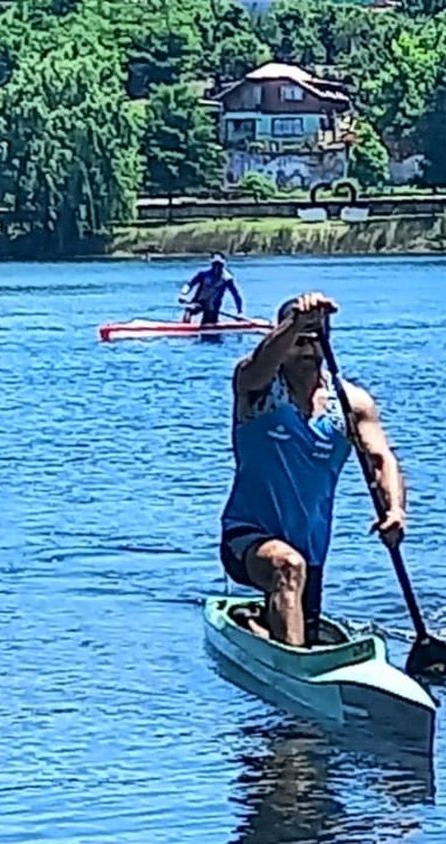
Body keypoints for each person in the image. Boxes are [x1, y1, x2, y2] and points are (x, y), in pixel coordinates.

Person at [219, 292, 407, 647]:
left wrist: (395, 510)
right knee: (287, 567)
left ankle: (261, 623)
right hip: (245, 537)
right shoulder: (256, 389)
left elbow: (382, 459)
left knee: (298, 590)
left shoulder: (351, 403)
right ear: (281, 337)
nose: (308, 351)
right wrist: (296, 324)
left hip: (312, 549)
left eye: (316, 340)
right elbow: (257, 365)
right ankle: (293, 668)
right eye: (298, 342)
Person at [180, 252, 244, 325]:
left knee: (207, 323)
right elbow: (189, 285)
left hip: (212, 307)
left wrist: (240, 312)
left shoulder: (227, 279)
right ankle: (185, 329)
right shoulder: (203, 275)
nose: (216, 268)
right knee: (189, 310)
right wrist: (183, 294)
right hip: (198, 302)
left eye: (219, 265)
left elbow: (236, 296)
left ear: (223, 265)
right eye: (215, 265)